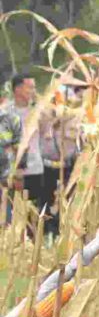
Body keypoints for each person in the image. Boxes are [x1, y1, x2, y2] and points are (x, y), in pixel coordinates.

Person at [1, 74, 45, 225]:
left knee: (33, 215)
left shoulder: (39, 111)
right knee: (12, 217)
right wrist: (17, 171)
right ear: (18, 89)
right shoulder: (5, 112)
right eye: (30, 87)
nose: (34, 91)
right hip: (10, 173)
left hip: (35, 169)